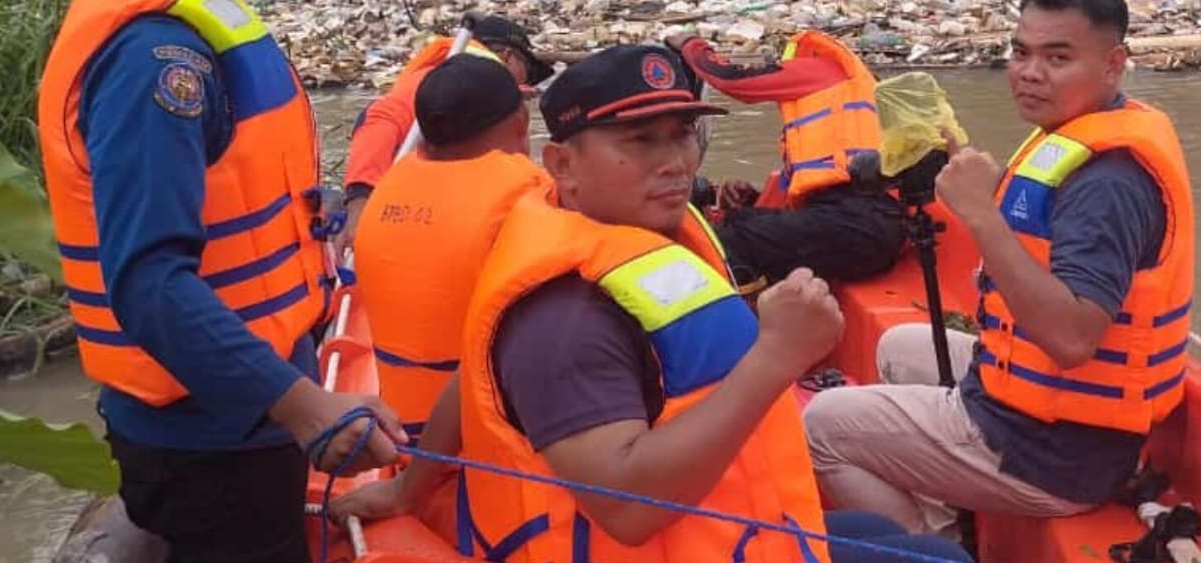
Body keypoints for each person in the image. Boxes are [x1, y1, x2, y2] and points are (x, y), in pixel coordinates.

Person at [340, 44, 969, 562]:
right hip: (657, 537)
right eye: (640, 141)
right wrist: (778, 356)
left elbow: (462, 386)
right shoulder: (565, 319)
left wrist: (407, 488)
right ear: (562, 164)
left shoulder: (611, 237)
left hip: (719, 524)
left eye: (682, 135)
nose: (674, 162)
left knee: (884, 537)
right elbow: (627, 510)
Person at [37, 0, 403, 562]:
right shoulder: (159, 66)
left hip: (245, 408)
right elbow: (149, 283)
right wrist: (310, 409)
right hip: (207, 441)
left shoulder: (210, 27)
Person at [803, 0, 1196, 536]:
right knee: (898, 346)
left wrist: (980, 216)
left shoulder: (1107, 183)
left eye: (1057, 57)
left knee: (822, 424)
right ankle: (948, 516)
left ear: (1113, 64)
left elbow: (1071, 340)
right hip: (1048, 418)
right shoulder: (1077, 129)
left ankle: (931, 548)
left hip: (1051, 454)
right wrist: (969, 176)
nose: (1030, 73)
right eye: (1020, 52)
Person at [352, 54, 553, 445]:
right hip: (484, 448)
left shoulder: (387, 191)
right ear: (520, 124)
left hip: (401, 435)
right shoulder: (528, 195)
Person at [669, 30, 906, 286]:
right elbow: (819, 188)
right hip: (867, 223)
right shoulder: (848, 102)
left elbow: (732, 78)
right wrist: (753, 199)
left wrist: (690, 45)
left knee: (734, 236)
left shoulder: (819, 71)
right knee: (744, 221)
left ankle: (731, 318)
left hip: (857, 223)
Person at [335, 13, 553, 255]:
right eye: (528, 72)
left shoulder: (464, 91)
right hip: (404, 213)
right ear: (508, 57)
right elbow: (379, 121)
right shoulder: (444, 80)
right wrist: (359, 200)